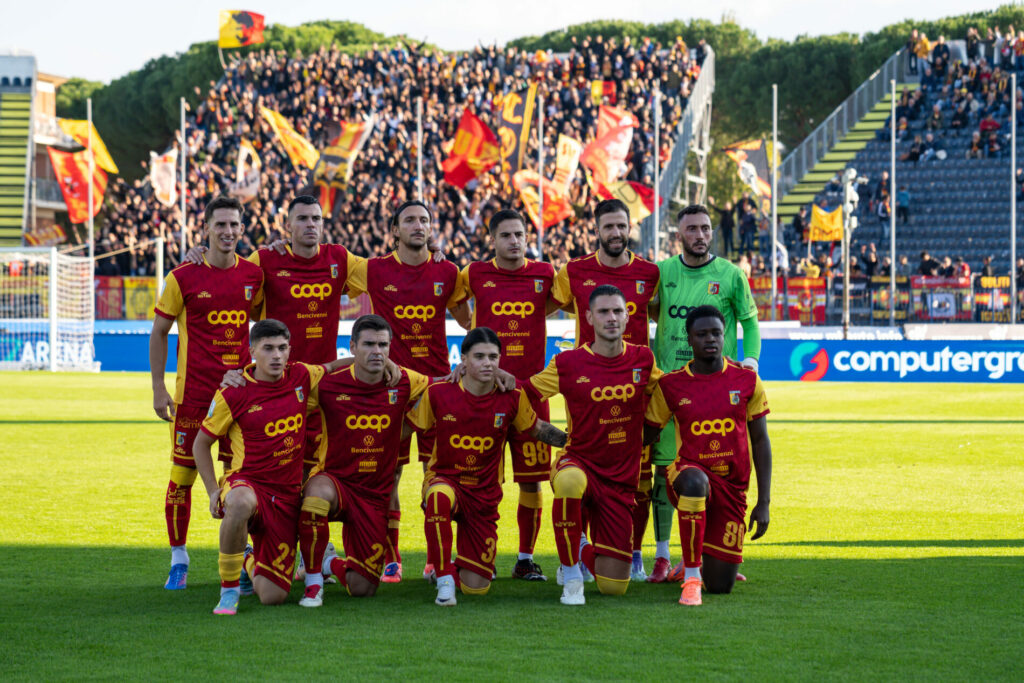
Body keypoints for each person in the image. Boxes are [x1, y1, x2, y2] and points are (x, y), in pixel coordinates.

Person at [346, 200, 467, 583]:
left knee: (438, 476)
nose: (419, 225)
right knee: (389, 475)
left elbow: (470, 320)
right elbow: (322, 271)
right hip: (391, 390)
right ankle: (392, 558)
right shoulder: (373, 269)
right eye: (410, 220)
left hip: (436, 388)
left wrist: (470, 359)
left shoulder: (448, 271)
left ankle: (434, 559)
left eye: (424, 220)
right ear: (394, 230)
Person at [149, 195, 264, 591]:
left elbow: (265, 320)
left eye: (234, 225)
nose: (228, 232)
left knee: (241, 479)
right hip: (194, 396)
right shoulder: (183, 276)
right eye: (221, 225)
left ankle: (242, 557)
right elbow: (159, 333)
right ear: (207, 229)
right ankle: (178, 558)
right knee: (182, 477)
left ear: (242, 229)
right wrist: (158, 387)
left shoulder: (254, 275)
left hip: (239, 396)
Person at [409, 327, 567, 606]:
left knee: (476, 588)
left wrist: (575, 443)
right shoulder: (439, 393)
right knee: (437, 497)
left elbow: (537, 429)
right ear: (463, 360)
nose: (487, 363)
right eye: (479, 357)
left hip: (484, 496)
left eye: (493, 357)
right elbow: (405, 429)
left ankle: (456, 568)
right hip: (446, 480)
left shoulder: (512, 396)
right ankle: (444, 578)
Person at [528, 285, 662, 605]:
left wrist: (720, 369)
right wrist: (540, 430)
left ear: (628, 317)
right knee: (570, 482)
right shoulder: (567, 362)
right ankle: (571, 574)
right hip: (579, 462)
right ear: (588, 317)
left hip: (620, 479)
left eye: (617, 311)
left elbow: (670, 390)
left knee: (614, 587)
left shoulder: (643, 359)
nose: (611, 318)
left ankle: (580, 545)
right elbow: (524, 393)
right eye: (603, 311)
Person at [648, 204, 760, 584]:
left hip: (716, 388)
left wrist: (751, 361)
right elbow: (645, 313)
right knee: (665, 470)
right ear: (679, 234)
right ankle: (663, 555)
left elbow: (749, 322)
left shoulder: (731, 274)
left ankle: (707, 555)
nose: (700, 235)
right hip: (672, 388)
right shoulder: (663, 272)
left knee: (719, 470)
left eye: (706, 228)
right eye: (692, 229)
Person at [551, 198, 660, 581]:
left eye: (621, 226)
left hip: (635, 390)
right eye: (609, 226)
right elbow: (536, 307)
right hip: (588, 389)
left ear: (630, 228)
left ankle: (634, 553)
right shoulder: (574, 271)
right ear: (596, 230)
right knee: (581, 473)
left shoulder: (650, 273)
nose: (616, 232)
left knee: (640, 479)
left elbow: (662, 314)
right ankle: (576, 549)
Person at [451, 209, 562, 581]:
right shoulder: (475, 273)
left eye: (520, 235)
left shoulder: (544, 274)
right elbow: (455, 300)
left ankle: (525, 559)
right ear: (492, 240)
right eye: (506, 235)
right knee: (480, 478)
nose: (514, 241)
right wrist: (470, 325)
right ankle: (480, 554)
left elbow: (550, 306)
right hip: (485, 395)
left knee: (532, 480)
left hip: (529, 394)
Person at [193, 319, 329, 614]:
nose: (277, 355)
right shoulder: (233, 391)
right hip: (248, 484)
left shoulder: (301, 375)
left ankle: (248, 558)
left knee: (272, 596)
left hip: (287, 496)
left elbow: (334, 367)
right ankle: (229, 590)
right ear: (252, 351)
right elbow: (200, 444)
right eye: (268, 348)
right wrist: (213, 491)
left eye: (282, 348)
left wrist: (383, 364)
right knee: (240, 502)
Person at [296, 315, 432, 607]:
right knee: (316, 493)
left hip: (373, 495)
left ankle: (328, 562)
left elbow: (444, 388)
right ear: (352, 346)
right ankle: (313, 581)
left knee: (362, 588)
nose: (377, 351)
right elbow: (282, 392)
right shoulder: (328, 384)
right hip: (336, 481)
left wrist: (492, 373)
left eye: (383, 345)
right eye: (369, 344)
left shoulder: (404, 381)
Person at [643, 306, 772, 605]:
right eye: (701, 334)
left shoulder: (747, 380)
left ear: (725, 336)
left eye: (716, 333)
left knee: (722, 586)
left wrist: (764, 502)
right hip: (687, 476)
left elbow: (761, 440)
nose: (710, 339)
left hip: (732, 488)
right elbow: (646, 434)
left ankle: (696, 565)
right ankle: (691, 577)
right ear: (689, 339)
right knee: (695, 482)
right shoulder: (671, 384)